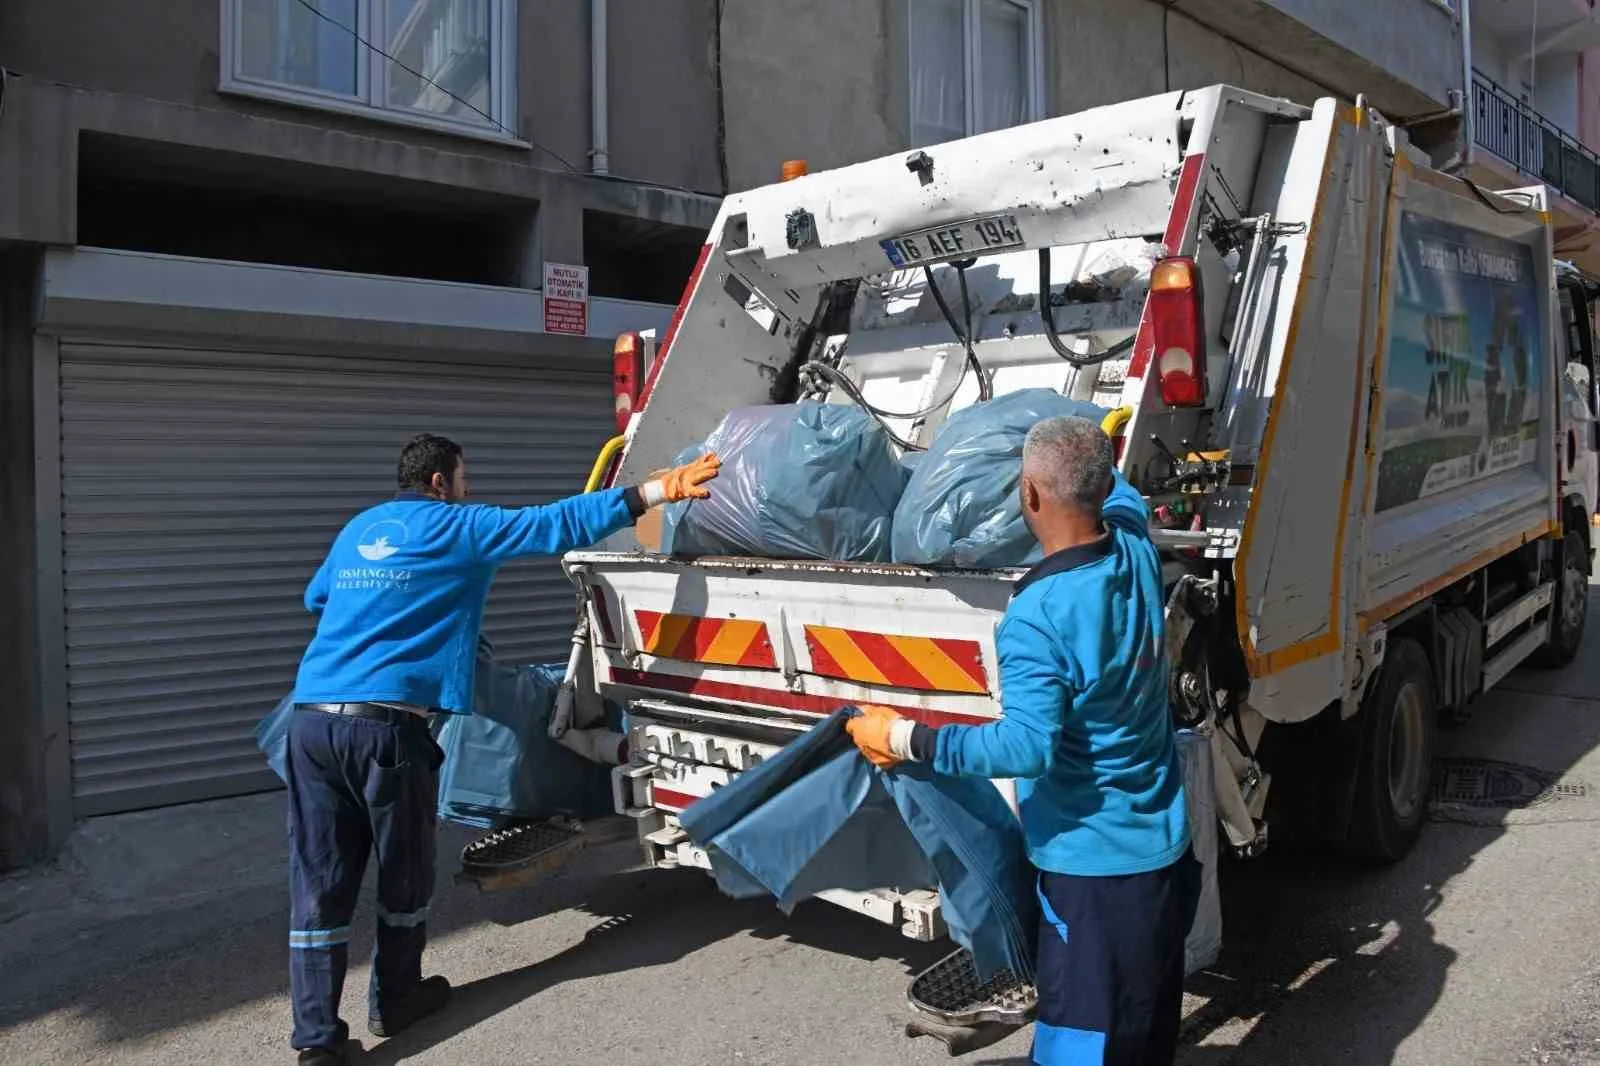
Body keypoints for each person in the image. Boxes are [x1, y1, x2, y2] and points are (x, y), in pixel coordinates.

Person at [285, 433, 719, 1065]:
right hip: (385, 730)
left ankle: (316, 1042)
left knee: (319, 879)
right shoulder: (459, 526)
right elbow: (555, 524)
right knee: (403, 872)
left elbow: (317, 598)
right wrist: (656, 491)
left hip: (310, 723)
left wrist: (401, 612)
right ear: (441, 482)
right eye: (464, 478)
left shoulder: (361, 528)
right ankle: (396, 998)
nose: (469, 489)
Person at [846, 415, 1198, 1066]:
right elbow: (1117, 492)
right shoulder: (1135, 551)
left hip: (1093, 876)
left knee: (1082, 1046)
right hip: (1162, 853)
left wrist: (906, 738)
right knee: (1147, 1026)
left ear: (1028, 494)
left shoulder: (1038, 616)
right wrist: (1102, 442)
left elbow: (1025, 748)